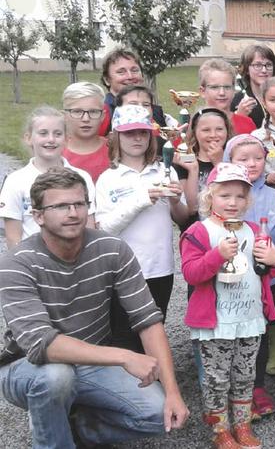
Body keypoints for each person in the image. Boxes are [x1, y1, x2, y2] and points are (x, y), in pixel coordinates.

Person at [0, 167, 189, 448]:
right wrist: (124, 356)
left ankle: (77, 427)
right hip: (29, 366)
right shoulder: (17, 263)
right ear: (38, 216)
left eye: (79, 204)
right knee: (56, 378)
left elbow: (148, 321)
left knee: (158, 414)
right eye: (60, 206)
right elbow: (42, 345)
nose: (73, 213)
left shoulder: (113, 249)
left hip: (92, 363)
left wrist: (173, 392)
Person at [180, 162, 275, 448]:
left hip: (249, 318)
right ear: (210, 196)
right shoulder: (200, 231)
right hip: (216, 323)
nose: (233, 202)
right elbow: (191, 273)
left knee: (245, 375)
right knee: (216, 379)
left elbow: (266, 270)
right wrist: (217, 255)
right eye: (225, 195)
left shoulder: (253, 230)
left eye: (240, 196)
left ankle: (242, 425)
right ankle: (220, 430)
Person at [95, 105, 189, 351]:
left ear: (151, 136)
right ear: (116, 136)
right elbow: (104, 230)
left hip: (160, 267)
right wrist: (141, 201)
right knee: (124, 334)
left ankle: (154, 371)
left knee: (155, 328)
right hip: (122, 270)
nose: (137, 138)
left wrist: (176, 201)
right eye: (129, 133)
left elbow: (182, 217)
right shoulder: (108, 178)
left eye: (143, 133)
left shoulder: (164, 170)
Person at [222, 134, 275, 418]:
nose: (252, 164)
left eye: (258, 158)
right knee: (229, 335)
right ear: (230, 160)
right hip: (228, 282)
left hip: (266, 280)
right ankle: (227, 388)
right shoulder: (219, 194)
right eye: (243, 159)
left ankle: (256, 386)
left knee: (258, 334)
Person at [0, 106, 96, 249]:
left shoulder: (82, 177)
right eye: (43, 133)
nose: (51, 139)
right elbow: (13, 238)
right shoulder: (15, 181)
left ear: (67, 139)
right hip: (32, 259)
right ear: (28, 138)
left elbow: (89, 227)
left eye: (58, 134)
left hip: (76, 257)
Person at [97, 49, 170, 136]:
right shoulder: (100, 113)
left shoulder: (155, 111)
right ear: (107, 80)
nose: (130, 76)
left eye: (134, 70)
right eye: (121, 72)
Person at [62, 81, 110, 182]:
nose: (86, 119)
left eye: (93, 112)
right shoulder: (55, 153)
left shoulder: (115, 151)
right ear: (64, 116)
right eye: (77, 111)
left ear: (103, 116)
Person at [198, 58, 257, 135]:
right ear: (202, 91)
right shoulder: (196, 124)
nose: (222, 93)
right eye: (215, 87)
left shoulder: (247, 123)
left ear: (234, 90)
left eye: (227, 87)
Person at [232, 44, 275, 128]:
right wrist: (239, 116)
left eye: (268, 65)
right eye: (258, 65)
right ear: (247, 69)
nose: (264, 70)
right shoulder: (237, 101)